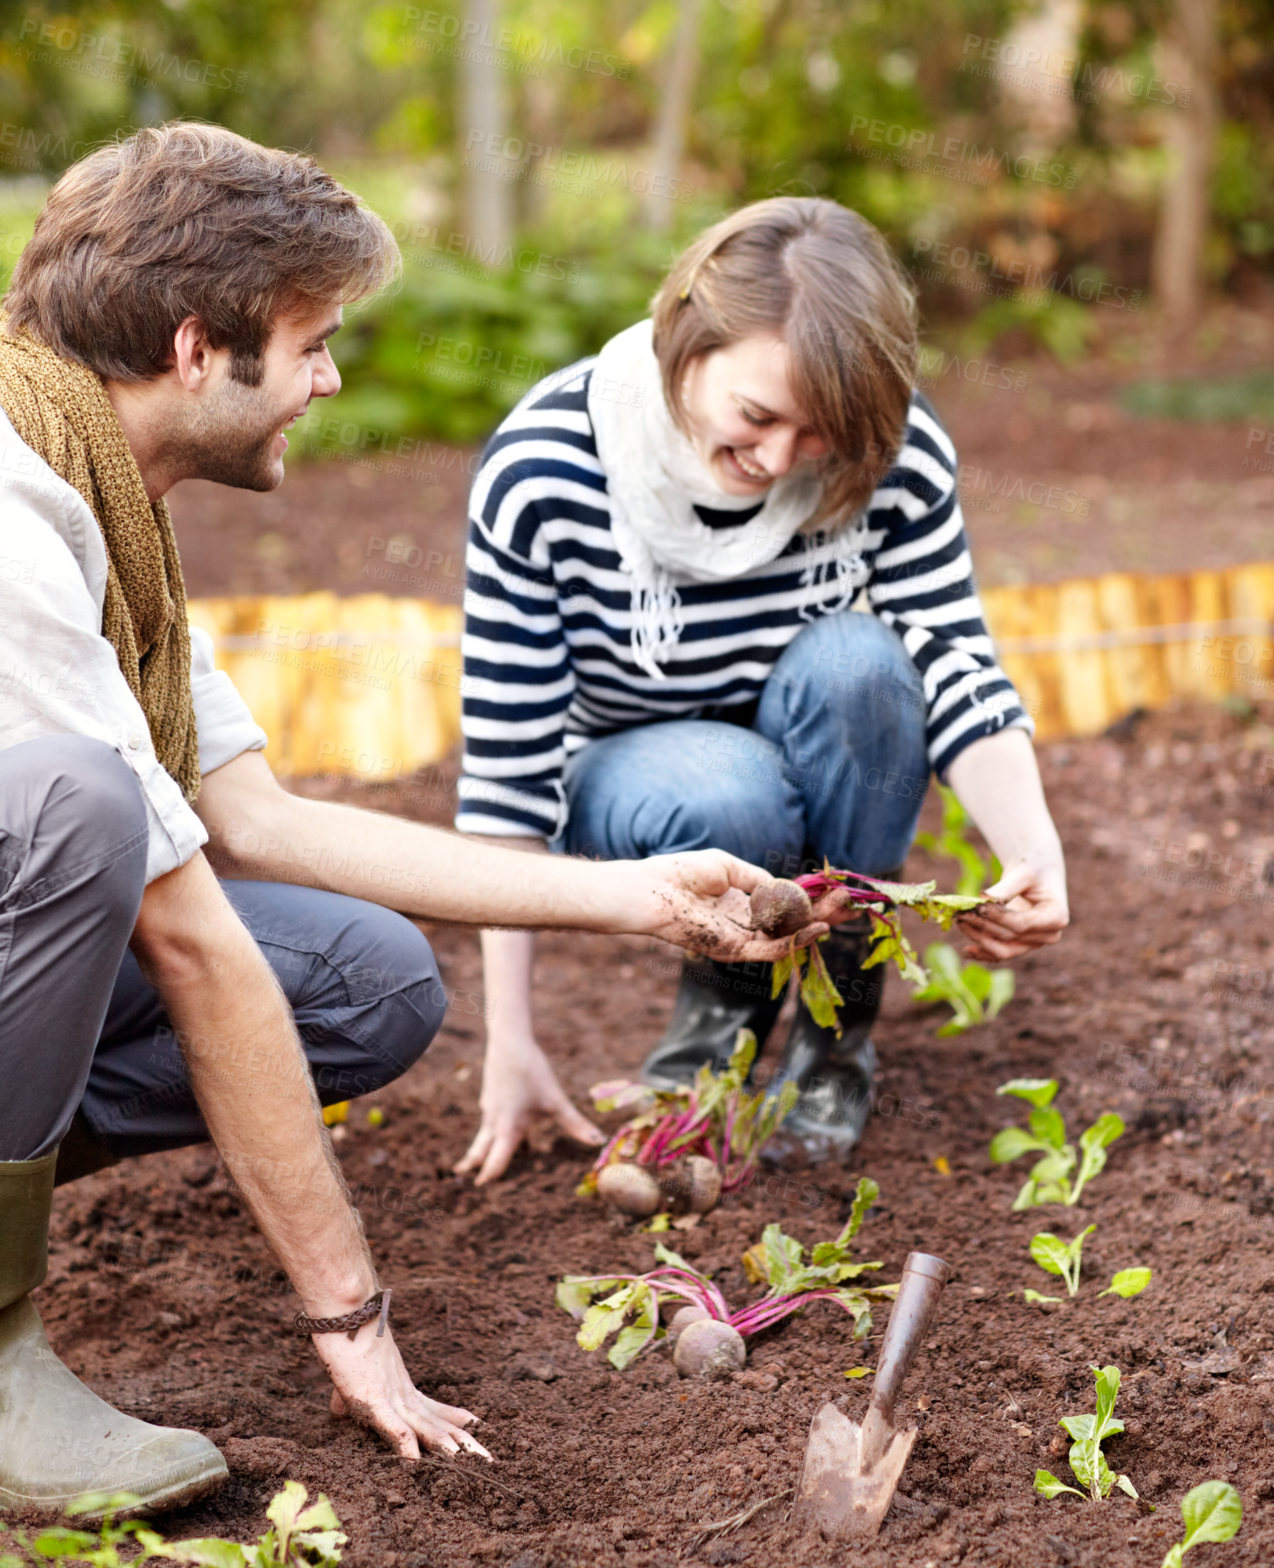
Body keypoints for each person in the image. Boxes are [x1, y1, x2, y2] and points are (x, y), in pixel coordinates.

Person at [0, 126, 836, 1516]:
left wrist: (637, 895)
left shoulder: (105, 495)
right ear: (200, 347)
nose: (328, 378)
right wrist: (351, 1320)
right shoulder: (15, 518)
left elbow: (251, 817)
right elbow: (193, 935)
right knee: (87, 816)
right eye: (314, 340)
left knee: (363, 980)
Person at [455, 196, 1069, 1184]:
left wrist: (1031, 846)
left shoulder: (891, 453)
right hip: (640, 775)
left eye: (817, 432)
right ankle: (718, 1027)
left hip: (811, 738)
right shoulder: (547, 471)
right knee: (736, 792)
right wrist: (508, 1038)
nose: (779, 460)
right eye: (756, 414)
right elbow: (506, 774)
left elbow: (950, 655)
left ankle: (833, 1039)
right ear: (684, 336)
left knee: (865, 666)